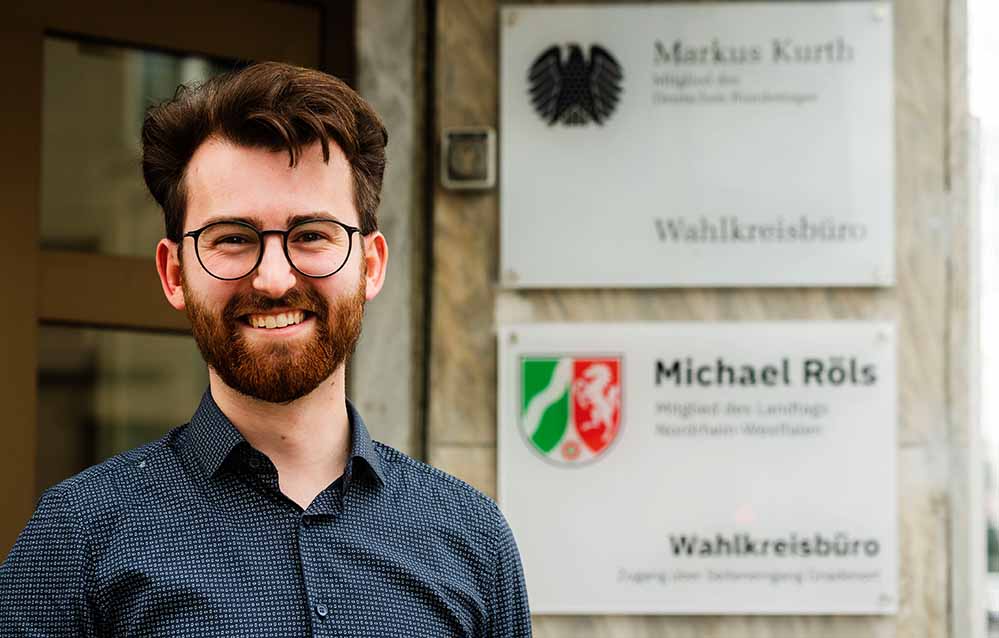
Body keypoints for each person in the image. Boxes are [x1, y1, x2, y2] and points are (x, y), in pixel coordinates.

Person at [0, 62, 531, 637]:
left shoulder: (474, 539)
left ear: (371, 265)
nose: (274, 279)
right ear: (174, 273)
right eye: (232, 238)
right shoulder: (75, 540)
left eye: (311, 235)